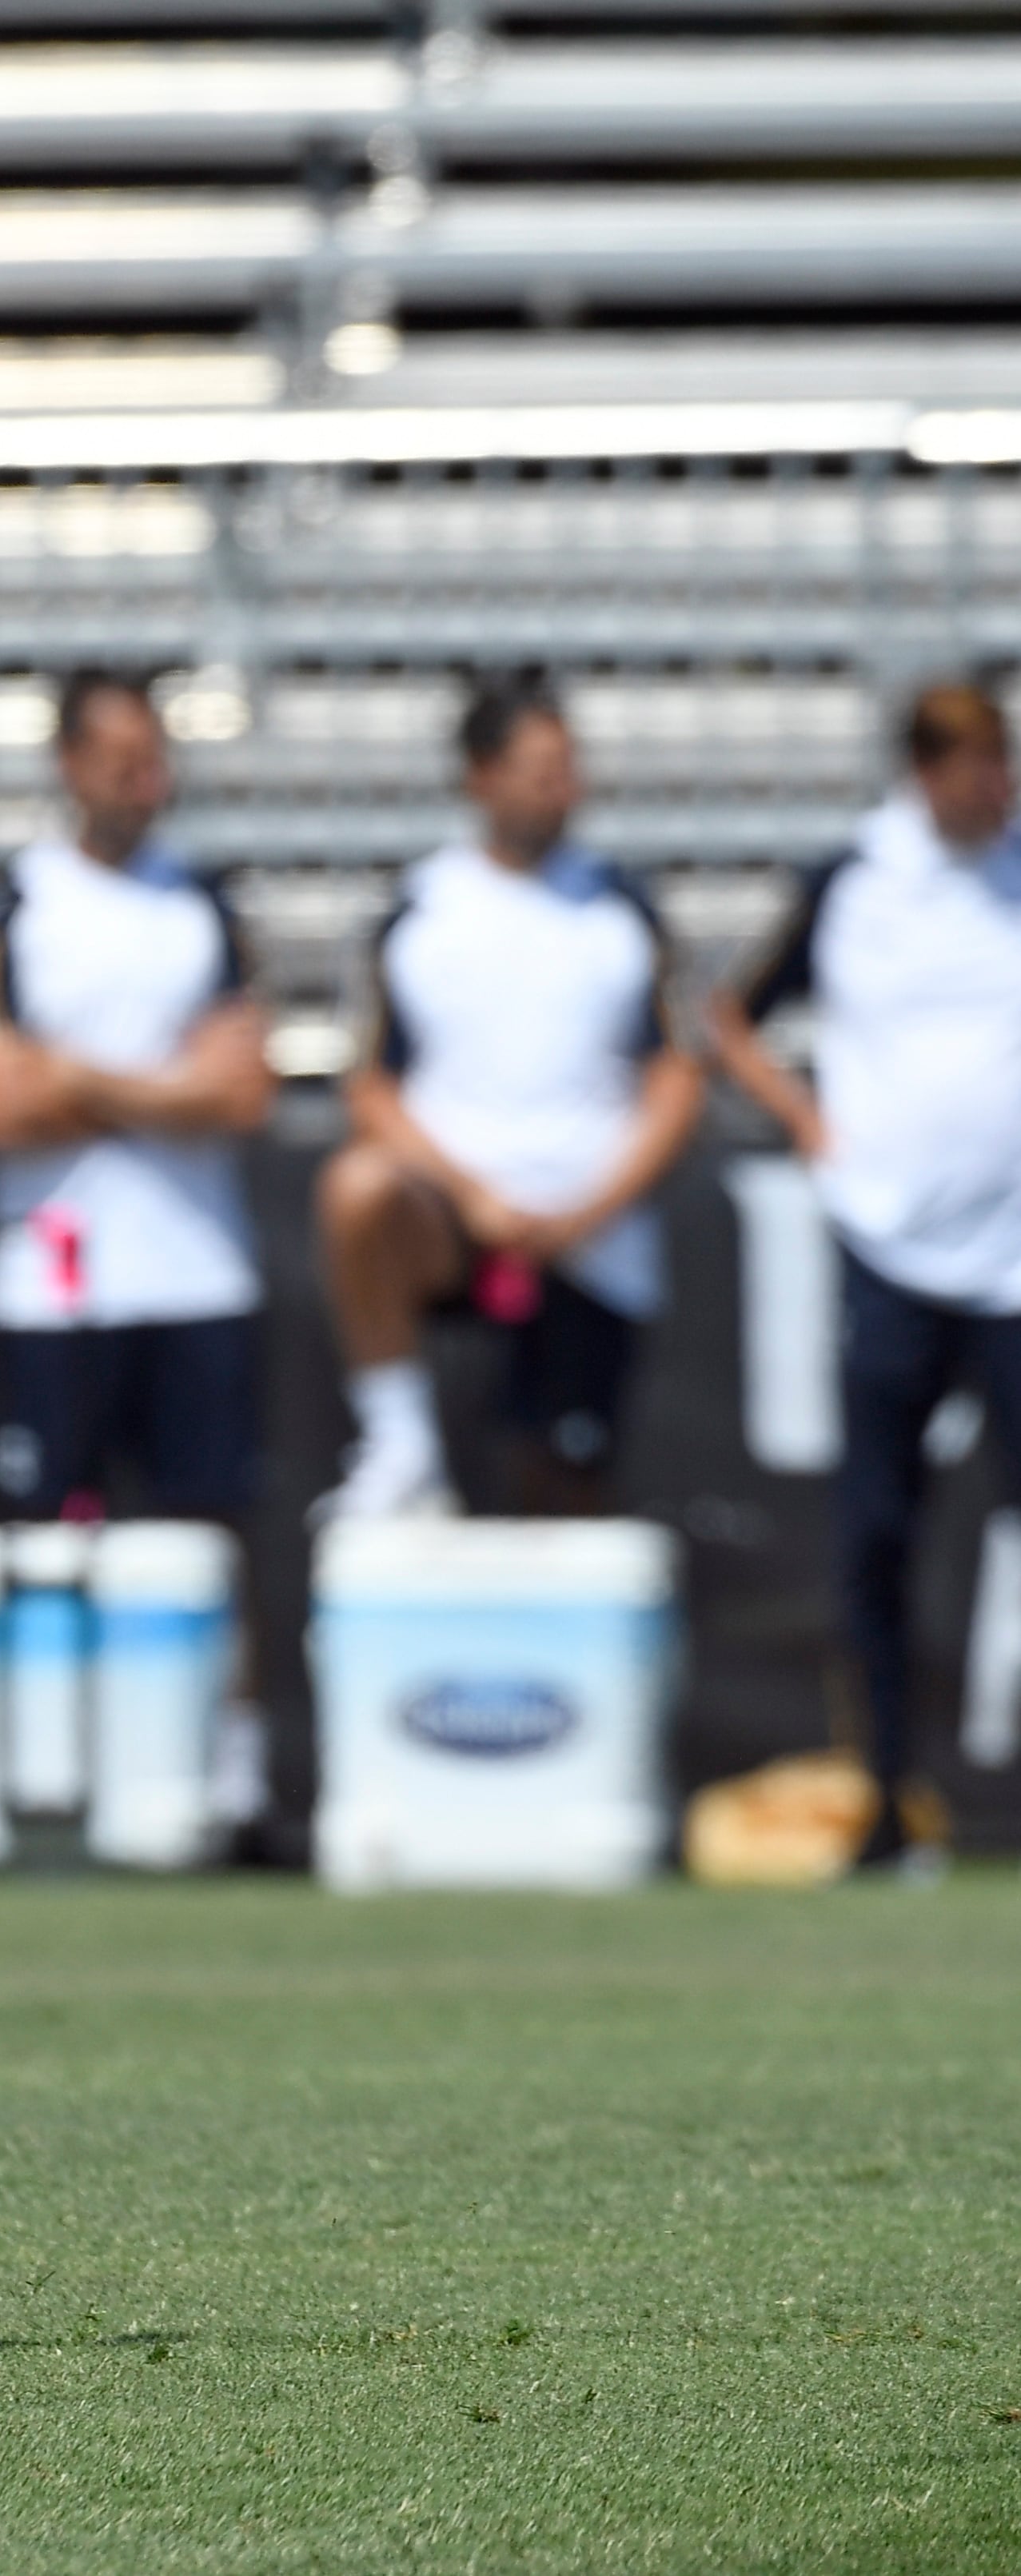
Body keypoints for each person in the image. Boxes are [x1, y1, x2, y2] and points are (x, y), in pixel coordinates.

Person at [712, 679, 1021, 1868]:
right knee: (876, 1532)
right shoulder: (851, 882)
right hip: (891, 1248)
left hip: (1012, 1260)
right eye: (972, 767)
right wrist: (806, 1119)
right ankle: (887, 1794)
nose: (992, 789)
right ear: (920, 771)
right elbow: (730, 1014)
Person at [315, 673, 705, 1519]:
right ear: (479, 777)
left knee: (564, 1484)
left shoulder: (622, 905)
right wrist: (476, 1197)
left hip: (593, 1235)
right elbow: (371, 1087)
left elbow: (675, 1076)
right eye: (538, 769)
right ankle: (399, 1441)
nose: (560, 789)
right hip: (457, 1225)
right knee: (359, 1188)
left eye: (568, 767)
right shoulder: (419, 907)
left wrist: (591, 1205)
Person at [0, 671, 277, 1523]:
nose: (149, 781)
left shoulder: (204, 903)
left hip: (197, 1272)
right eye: (125, 761)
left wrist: (76, 1075)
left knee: (208, 1552)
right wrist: (176, 1087)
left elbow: (244, 1095)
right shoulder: (17, 905)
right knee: (53, 1554)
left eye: (156, 759)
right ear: (70, 763)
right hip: (56, 1284)